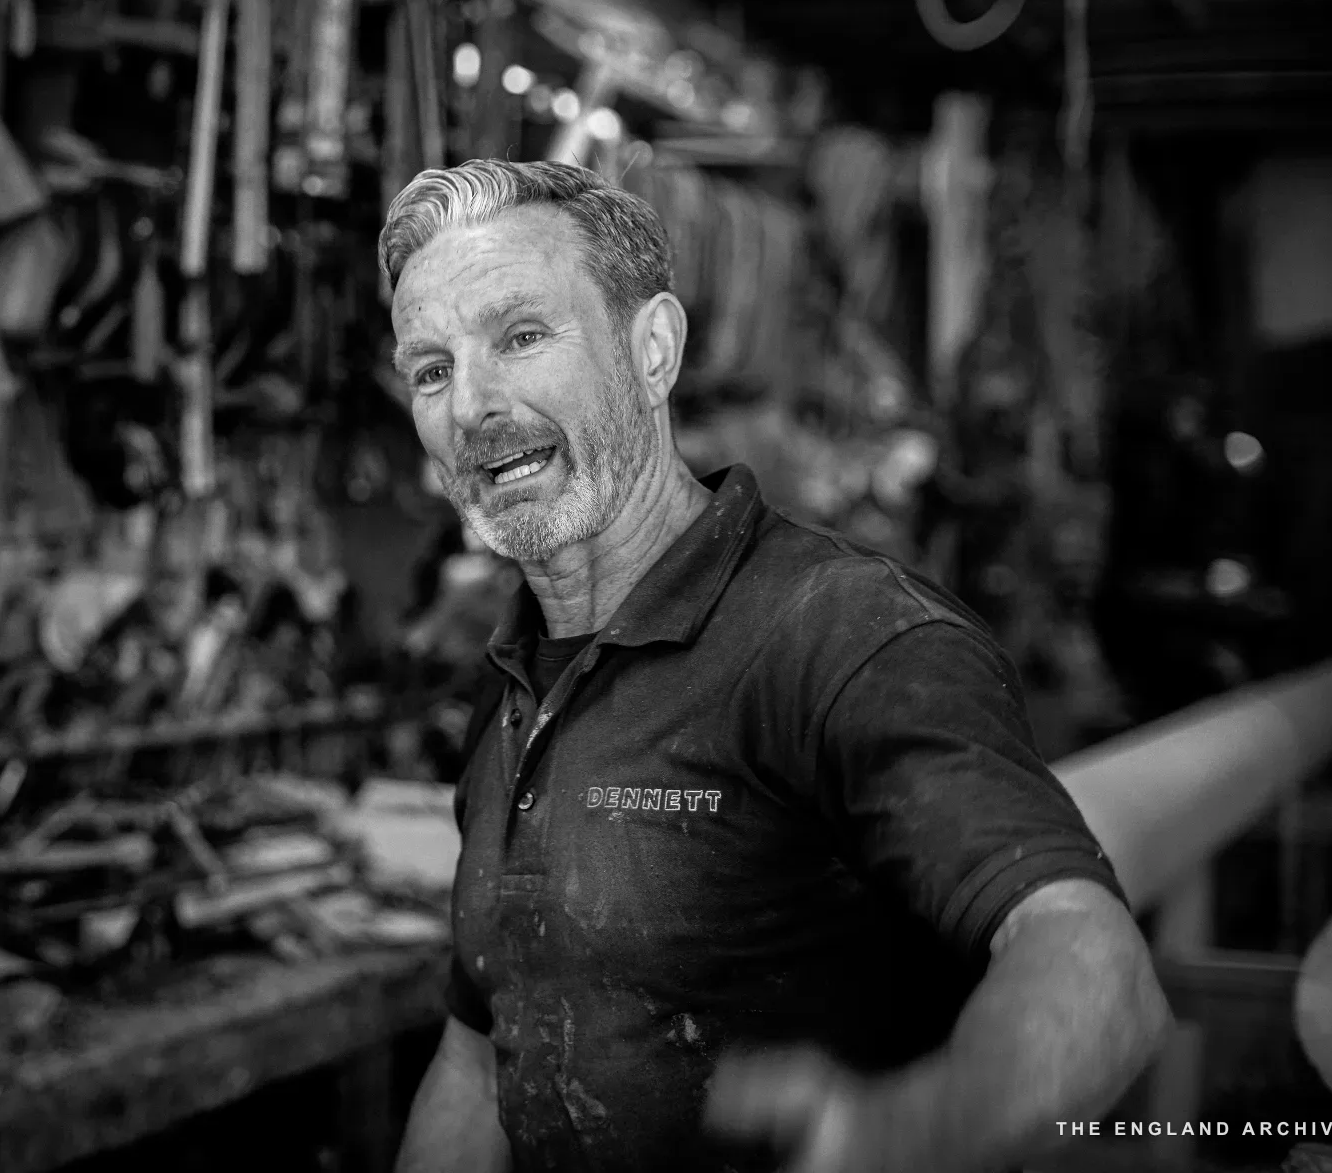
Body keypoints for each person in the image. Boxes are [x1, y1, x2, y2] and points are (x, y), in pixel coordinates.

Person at [379, 159, 1169, 1173]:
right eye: (431, 369)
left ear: (652, 348)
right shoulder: (515, 683)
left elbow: (1091, 961)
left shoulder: (845, 638)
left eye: (521, 336)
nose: (472, 404)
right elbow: (484, 1051)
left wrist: (907, 1131)